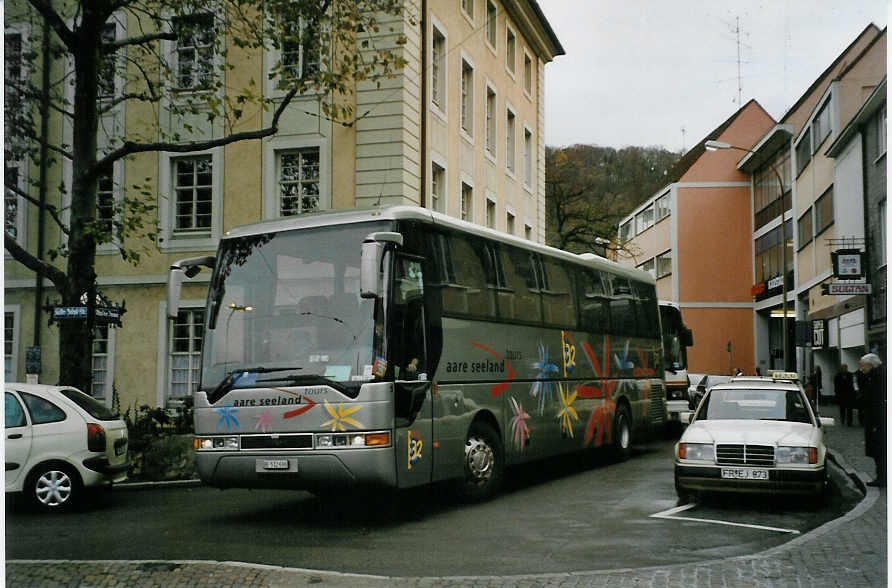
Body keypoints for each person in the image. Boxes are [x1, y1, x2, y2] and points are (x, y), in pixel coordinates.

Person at [856, 353, 886, 487]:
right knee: (879, 451)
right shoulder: (874, 376)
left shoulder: (877, 377)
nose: (861, 368)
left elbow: (876, 402)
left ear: (870, 364)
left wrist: (875, 423)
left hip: (878, 422)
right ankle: (882, 476)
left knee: (880, 451)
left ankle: (882, 477)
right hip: (876, 420)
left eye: (863, 366)